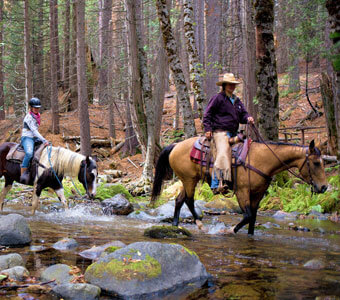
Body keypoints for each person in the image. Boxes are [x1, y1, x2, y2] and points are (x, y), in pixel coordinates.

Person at [203, 73, 254, 192]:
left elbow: (243, 115)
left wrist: (248, 118)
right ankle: (216, 184)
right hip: (220, 132)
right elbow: (207, 114)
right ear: (224, 85)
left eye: (233, 84)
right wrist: (208, 129)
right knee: (223, 152)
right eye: (229, 84)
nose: (231, 86)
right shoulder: (218, 98)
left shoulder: (236, 100)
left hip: (234, 132)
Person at [20, 97, 49, 184]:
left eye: (38, 107)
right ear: (31, 108)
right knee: (29, 153)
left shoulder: (37, 115)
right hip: (27, 137)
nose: (37, 109)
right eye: (35, 107)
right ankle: (23, 173)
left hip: (34, 137)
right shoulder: (29, 117)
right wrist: (43, 140)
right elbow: (34, 130)